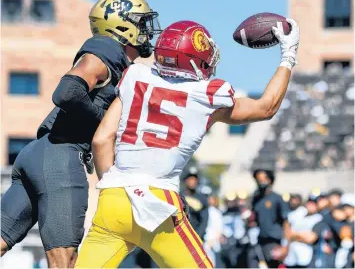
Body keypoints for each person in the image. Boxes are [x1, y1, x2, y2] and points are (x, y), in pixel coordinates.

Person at [75, 18, 300, 268]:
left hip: (113, 199)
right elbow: (266, 107)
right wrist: (288, 56)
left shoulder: (135, 77)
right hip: (158, 203)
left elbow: (102, 139)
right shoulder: (206, 96)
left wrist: (117, 185)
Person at [1, 0, 161, 268]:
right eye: (141, 23)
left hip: (38, 154)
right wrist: (101, 119)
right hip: (61, 157)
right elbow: (68, 91)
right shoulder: (107, 49)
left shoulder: (124, 67)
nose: (147, 31)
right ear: (122, 25)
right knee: (64, 261)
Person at [248, 169, 290, 268]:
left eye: (264, 178)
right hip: (259, 241)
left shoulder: (277, 199)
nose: (261, 181)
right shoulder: (255, 199)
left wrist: (285, 246)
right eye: (258, 179)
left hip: (274, 242)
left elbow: (286, 222)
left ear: (270, 180)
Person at [287, 195, 332, 268]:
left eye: (314, 203)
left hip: (308, 258)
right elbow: (288, 233)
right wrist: (302, 235)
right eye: (309, 202)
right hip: (292, 257)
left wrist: (294, 235)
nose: (310, 205)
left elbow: (310, 238)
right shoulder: (300, 215)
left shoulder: (319, 219)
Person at [182, 166, 209, 240]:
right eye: (190, 178)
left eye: (194, 179)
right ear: (185, 180)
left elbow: (204, 221)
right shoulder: (178, 196)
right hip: (180, 235)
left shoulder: (202, 198)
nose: (192, 181)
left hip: (195, 236)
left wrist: (197, 236)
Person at [204, 195, 223, 267]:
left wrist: (213, 241)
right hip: (206, 240)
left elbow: (219, 228)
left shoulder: (216, 213)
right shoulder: (206, 211)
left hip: (212, 242)